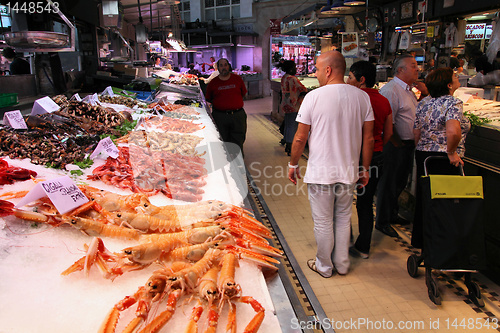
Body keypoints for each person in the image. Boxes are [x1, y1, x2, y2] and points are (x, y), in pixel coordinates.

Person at [288, 51, 374, 277]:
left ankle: (324, 266)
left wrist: (293, 164)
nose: (315, 74)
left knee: (324, 221)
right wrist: (364, 168)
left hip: (321, 173)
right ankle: (343, 264)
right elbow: (369, 138)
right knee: (343, 218)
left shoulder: (313, 97)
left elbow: (300, 137)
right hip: (348, 171)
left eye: (317, 69)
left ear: (328, 70)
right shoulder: (361, 97)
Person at [412, 68, 470, 248]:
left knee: (426, 199)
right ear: (449, 85)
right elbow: (453, 131)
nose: (457, 77)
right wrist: (451, 152)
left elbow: (416, 132)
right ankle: (444, 247)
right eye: (454, 77)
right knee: (447, 203)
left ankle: (423, 241)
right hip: (444, 158)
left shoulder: (424, 103)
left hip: (424, 155)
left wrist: (422, 149)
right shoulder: (453, 103)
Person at [346, 61, 393, 259]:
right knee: (365, 203)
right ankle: (363, 247)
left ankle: (343, 242)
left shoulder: (353, 100)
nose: (347, 81)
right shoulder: (384, 101)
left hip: (352, 156)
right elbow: (388, 133)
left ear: (361, 79)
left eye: (350, 77)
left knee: (343, 200)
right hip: (377, 157)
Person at [376, 54, 425, 238]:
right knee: (389, 183)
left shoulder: (409, 90)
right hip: (394, 144)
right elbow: (388, 121)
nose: (417, 69)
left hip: (405, 145)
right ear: (400, 70)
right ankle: (382, 222)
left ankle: (392, 214)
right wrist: (396, 143)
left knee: (399, 182)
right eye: (413, 65)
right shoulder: (392, 90)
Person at [205, 58, 248, 155]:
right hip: (220, 116)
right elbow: (208, 99)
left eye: (225, 65)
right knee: (222, 142)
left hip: (237, 115)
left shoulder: (237, 79)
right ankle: (226, 165)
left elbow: (243, 93)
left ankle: (238, 164)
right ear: (217, 68)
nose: (223, 67)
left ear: (228, 66)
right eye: (221, 65)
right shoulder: (213, 83)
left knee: (238, 140)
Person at [279, 60, 307, 155]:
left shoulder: (284, 77)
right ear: (291, 69)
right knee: (292, 126)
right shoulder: (292, 79)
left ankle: (286, 141)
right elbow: (302, 89)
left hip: (286, 104)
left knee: (288, 123)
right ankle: (290, 147)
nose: (296, 69)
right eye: (295, 67)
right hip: (293, 105)